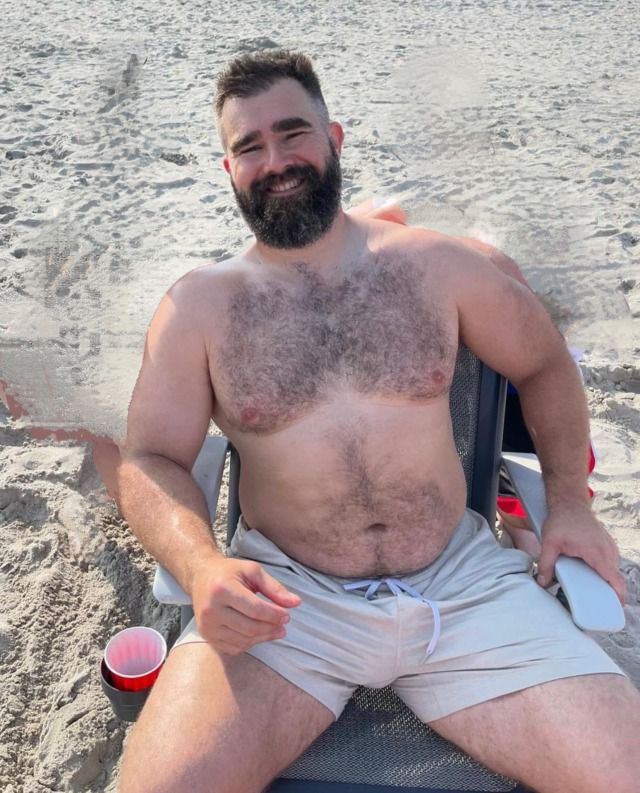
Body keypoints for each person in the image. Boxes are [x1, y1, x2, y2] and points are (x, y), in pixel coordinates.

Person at [116, 50, 639, 793]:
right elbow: (149, 459)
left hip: (465, 589)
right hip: (287, 608)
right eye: (249, 147)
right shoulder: (200, 309)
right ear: (227, 169)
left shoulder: (436, 267)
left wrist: (572, 503)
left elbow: (545, 363)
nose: (276, 161)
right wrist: (202, 568)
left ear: (333, 137)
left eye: (293, 133)